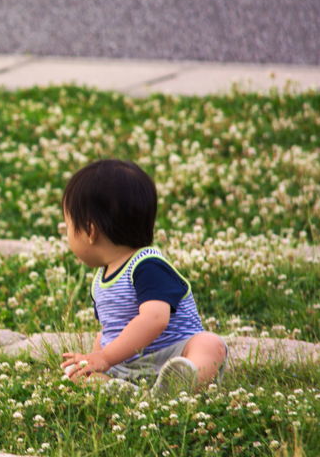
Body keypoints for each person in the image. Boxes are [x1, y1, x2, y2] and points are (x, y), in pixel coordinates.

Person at [58, 159, 227, 397]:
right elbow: (110, 332)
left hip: (172, 355)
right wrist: (94, 359)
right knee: (81, 374)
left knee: (209, 344)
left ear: (90, 230)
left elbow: (156, 318)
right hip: (126, 365)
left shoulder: (147, 265)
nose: (66, 234)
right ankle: (126, 391)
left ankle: (185, 382)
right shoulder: (101, 279)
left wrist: (105, 357)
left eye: (67, 226)